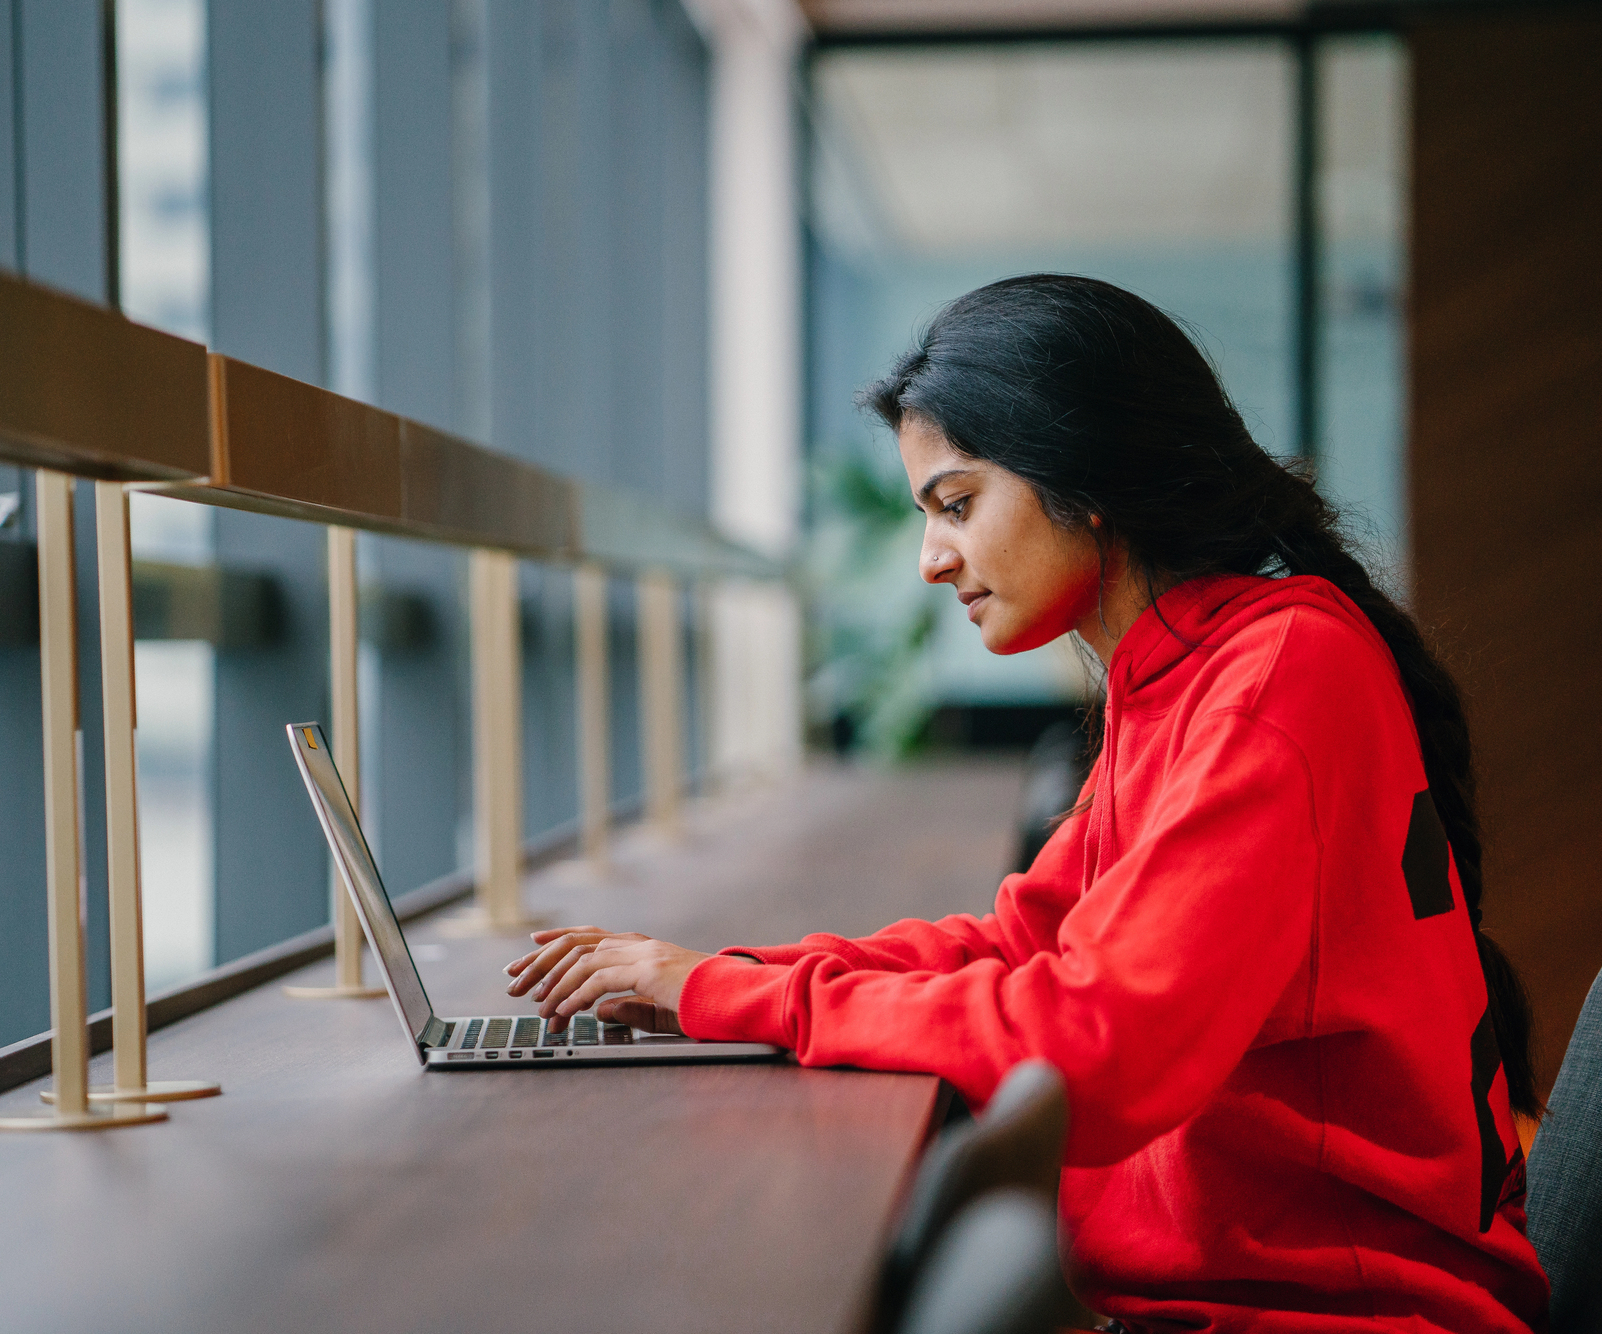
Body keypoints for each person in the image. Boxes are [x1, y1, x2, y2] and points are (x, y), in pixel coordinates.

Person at [504, 275, 1550, 1332]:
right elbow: (1022, 942)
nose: (929, 559)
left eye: (955, 504)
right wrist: (719, 978)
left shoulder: (1275, 672)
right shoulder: (1186, 671)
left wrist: (750, 1000)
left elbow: (1092, 1048)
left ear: (1080, 474)